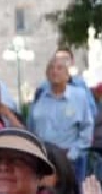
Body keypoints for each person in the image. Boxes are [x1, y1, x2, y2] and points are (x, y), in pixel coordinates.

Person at [28, 54, 95, 182]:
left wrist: (72, 153)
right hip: (44, 160)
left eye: (59, 68)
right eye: (51, 68)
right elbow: (31, 127)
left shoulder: (79, 96)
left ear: (67, 74)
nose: (54, 71)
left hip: (70, 160)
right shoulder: (40, 96)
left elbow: (87, 127)